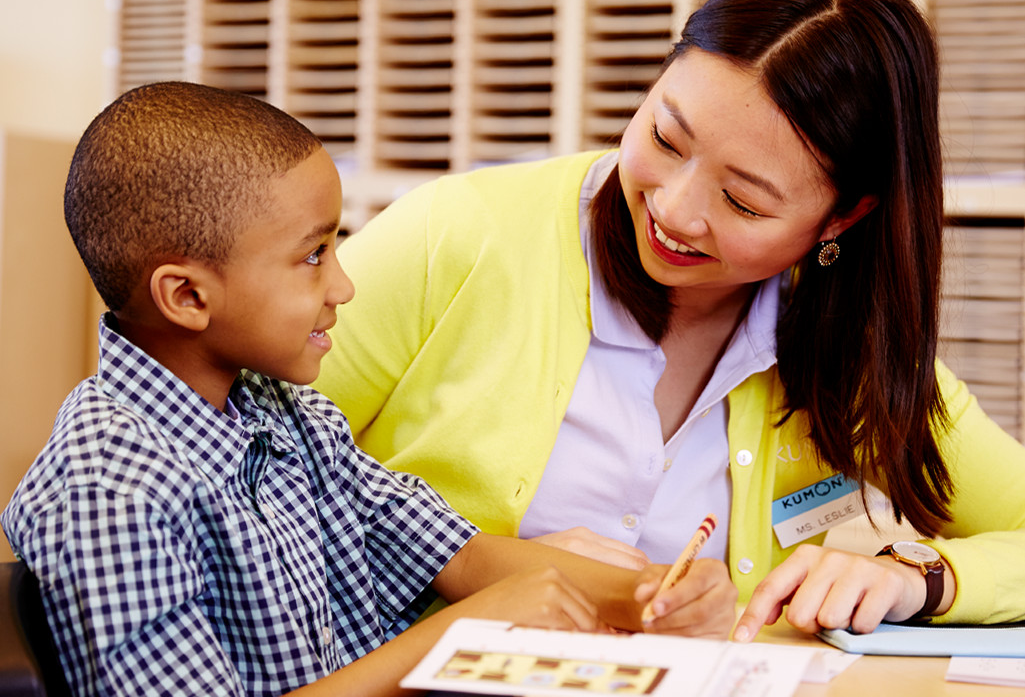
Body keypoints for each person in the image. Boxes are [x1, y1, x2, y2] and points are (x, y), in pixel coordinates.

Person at [313, 0, 1025, 643]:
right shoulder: (458, 236)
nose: (675, 211)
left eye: (743, 202)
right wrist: (473, 566)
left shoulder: (846, 348)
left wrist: (920, 576)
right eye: (664, 136)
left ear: (840, 219)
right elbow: (229, 479)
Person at [1, 82, 737, 697]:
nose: (344, 286)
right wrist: (458, 633)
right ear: (188, 297)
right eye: (313, 256)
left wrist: (652, 599)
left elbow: (458, 552)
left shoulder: (291, 417)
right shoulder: (109, 485)